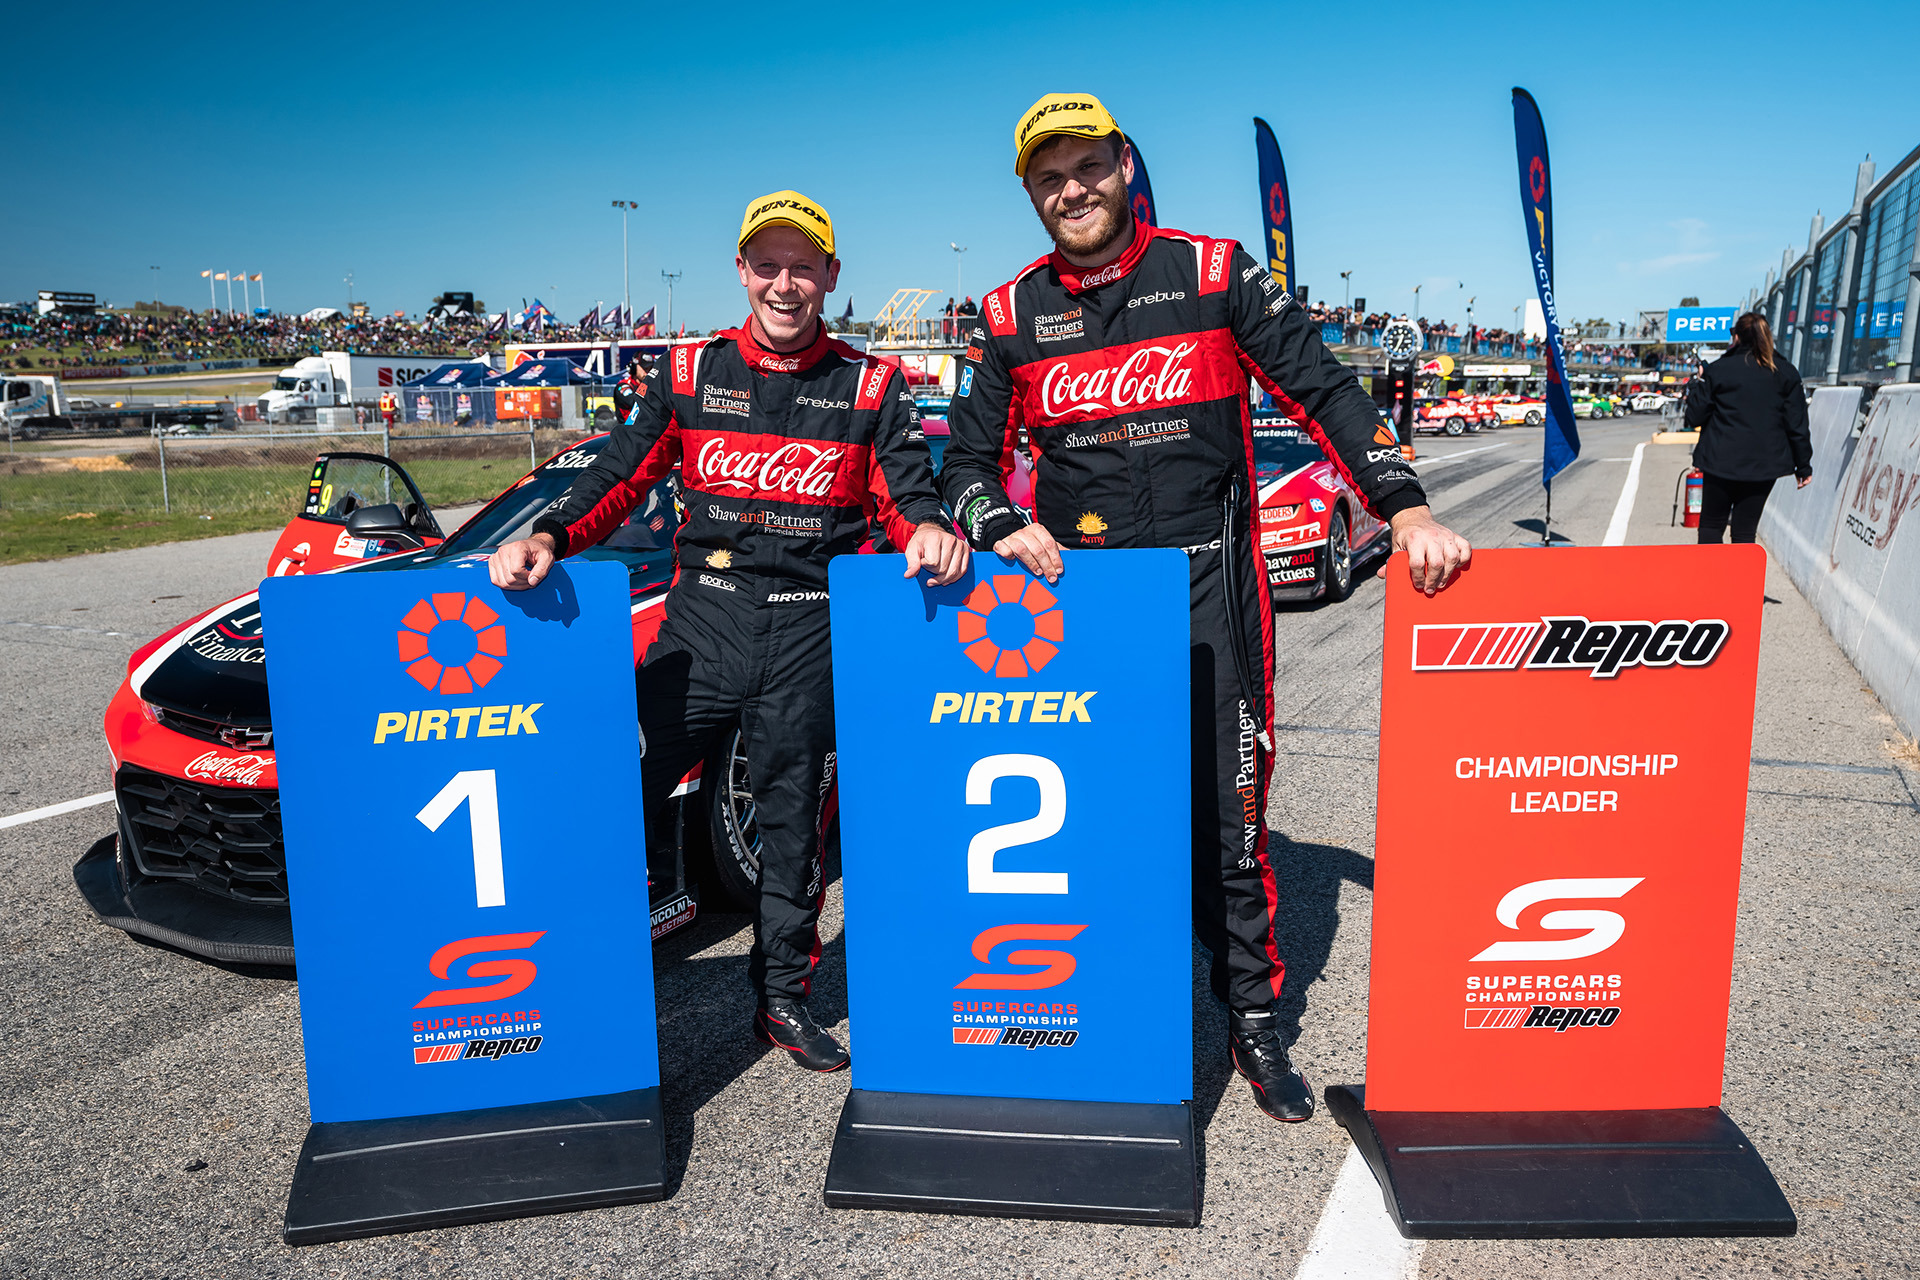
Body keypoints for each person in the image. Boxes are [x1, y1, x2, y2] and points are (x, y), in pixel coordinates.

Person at [940, 93, 1470, 1124]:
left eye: (1087, 166)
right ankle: (1098, 1011)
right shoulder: (1006, 315)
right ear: (1030, 193)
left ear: (1124, 166)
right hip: (1077, 612)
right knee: (1090, 824)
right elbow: (962, 460)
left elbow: (1325, 389)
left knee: (1230, 823)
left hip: (1208, 593)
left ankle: (1255, 1019)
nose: (1072, 189)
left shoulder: (1212, 270)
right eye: (1049, 177)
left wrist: (1402, 507)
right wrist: (995, 516)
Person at [489, 190, 969, 1072]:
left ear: (830, 275)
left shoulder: (872, 384)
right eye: (767, 264)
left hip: (809, 631)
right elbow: (619, 471)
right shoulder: (687, 371)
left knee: (792, 832)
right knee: (608, 794)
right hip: (701, 626)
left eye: (803, 266)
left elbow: (906, 495)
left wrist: (929, 529)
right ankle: (571, 979)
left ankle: (781, 1000)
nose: (784, 284)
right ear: (742, 271)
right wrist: (549, 535)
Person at [1684, 312, 1811, 544]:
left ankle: (1710, 580)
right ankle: (1740, 581)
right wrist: (1803, 466)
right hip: (1763, 464)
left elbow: (1694, 416)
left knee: (1711, 525)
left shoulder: (1719, 369)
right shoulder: (1785, 372)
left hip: (1719, 460)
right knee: (1745, 531)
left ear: (1737, 337)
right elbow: (1797, 424)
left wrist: (1700, 383)